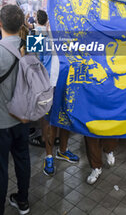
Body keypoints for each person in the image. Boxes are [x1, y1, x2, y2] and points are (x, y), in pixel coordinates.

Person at [28, 10, 79, 176]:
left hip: (67, 85)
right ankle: (49, 156)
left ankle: (62, 150)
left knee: (65, 118)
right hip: (47, 86)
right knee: (47, 121)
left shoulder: (70, 37)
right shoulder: (37, 34)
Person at [0, 5, 30, 215]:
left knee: (1, 169)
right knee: (22, 159)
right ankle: (23, 201)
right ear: (21, 24)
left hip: (1, 122)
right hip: (23, 118)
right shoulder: (31, 44)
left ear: (0, 24)